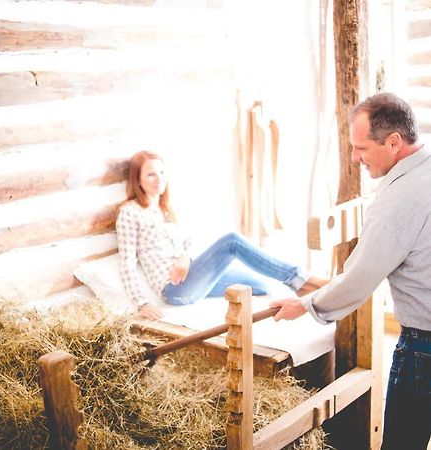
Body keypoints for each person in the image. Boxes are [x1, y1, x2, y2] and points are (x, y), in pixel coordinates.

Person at [270, 92, 431, 449]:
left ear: (394, 142)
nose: (355, 157)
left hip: (425, 345)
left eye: (361, 148)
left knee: (404, 442)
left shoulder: (396, 201)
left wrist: (306, 304)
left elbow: (358, 279)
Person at [116, 150, 327, 321]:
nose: (158, 179)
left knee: (262, 286)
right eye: (151, 174)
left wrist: (185, 257)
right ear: (138, 180)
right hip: (175, 289)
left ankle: (300, 290)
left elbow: (190, 243)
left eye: (162, 172)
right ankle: (303, 279)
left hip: (194, 276)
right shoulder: (130, 212)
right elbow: (126, 263)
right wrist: (142, 303)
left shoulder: (167, 209)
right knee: (232, 242)